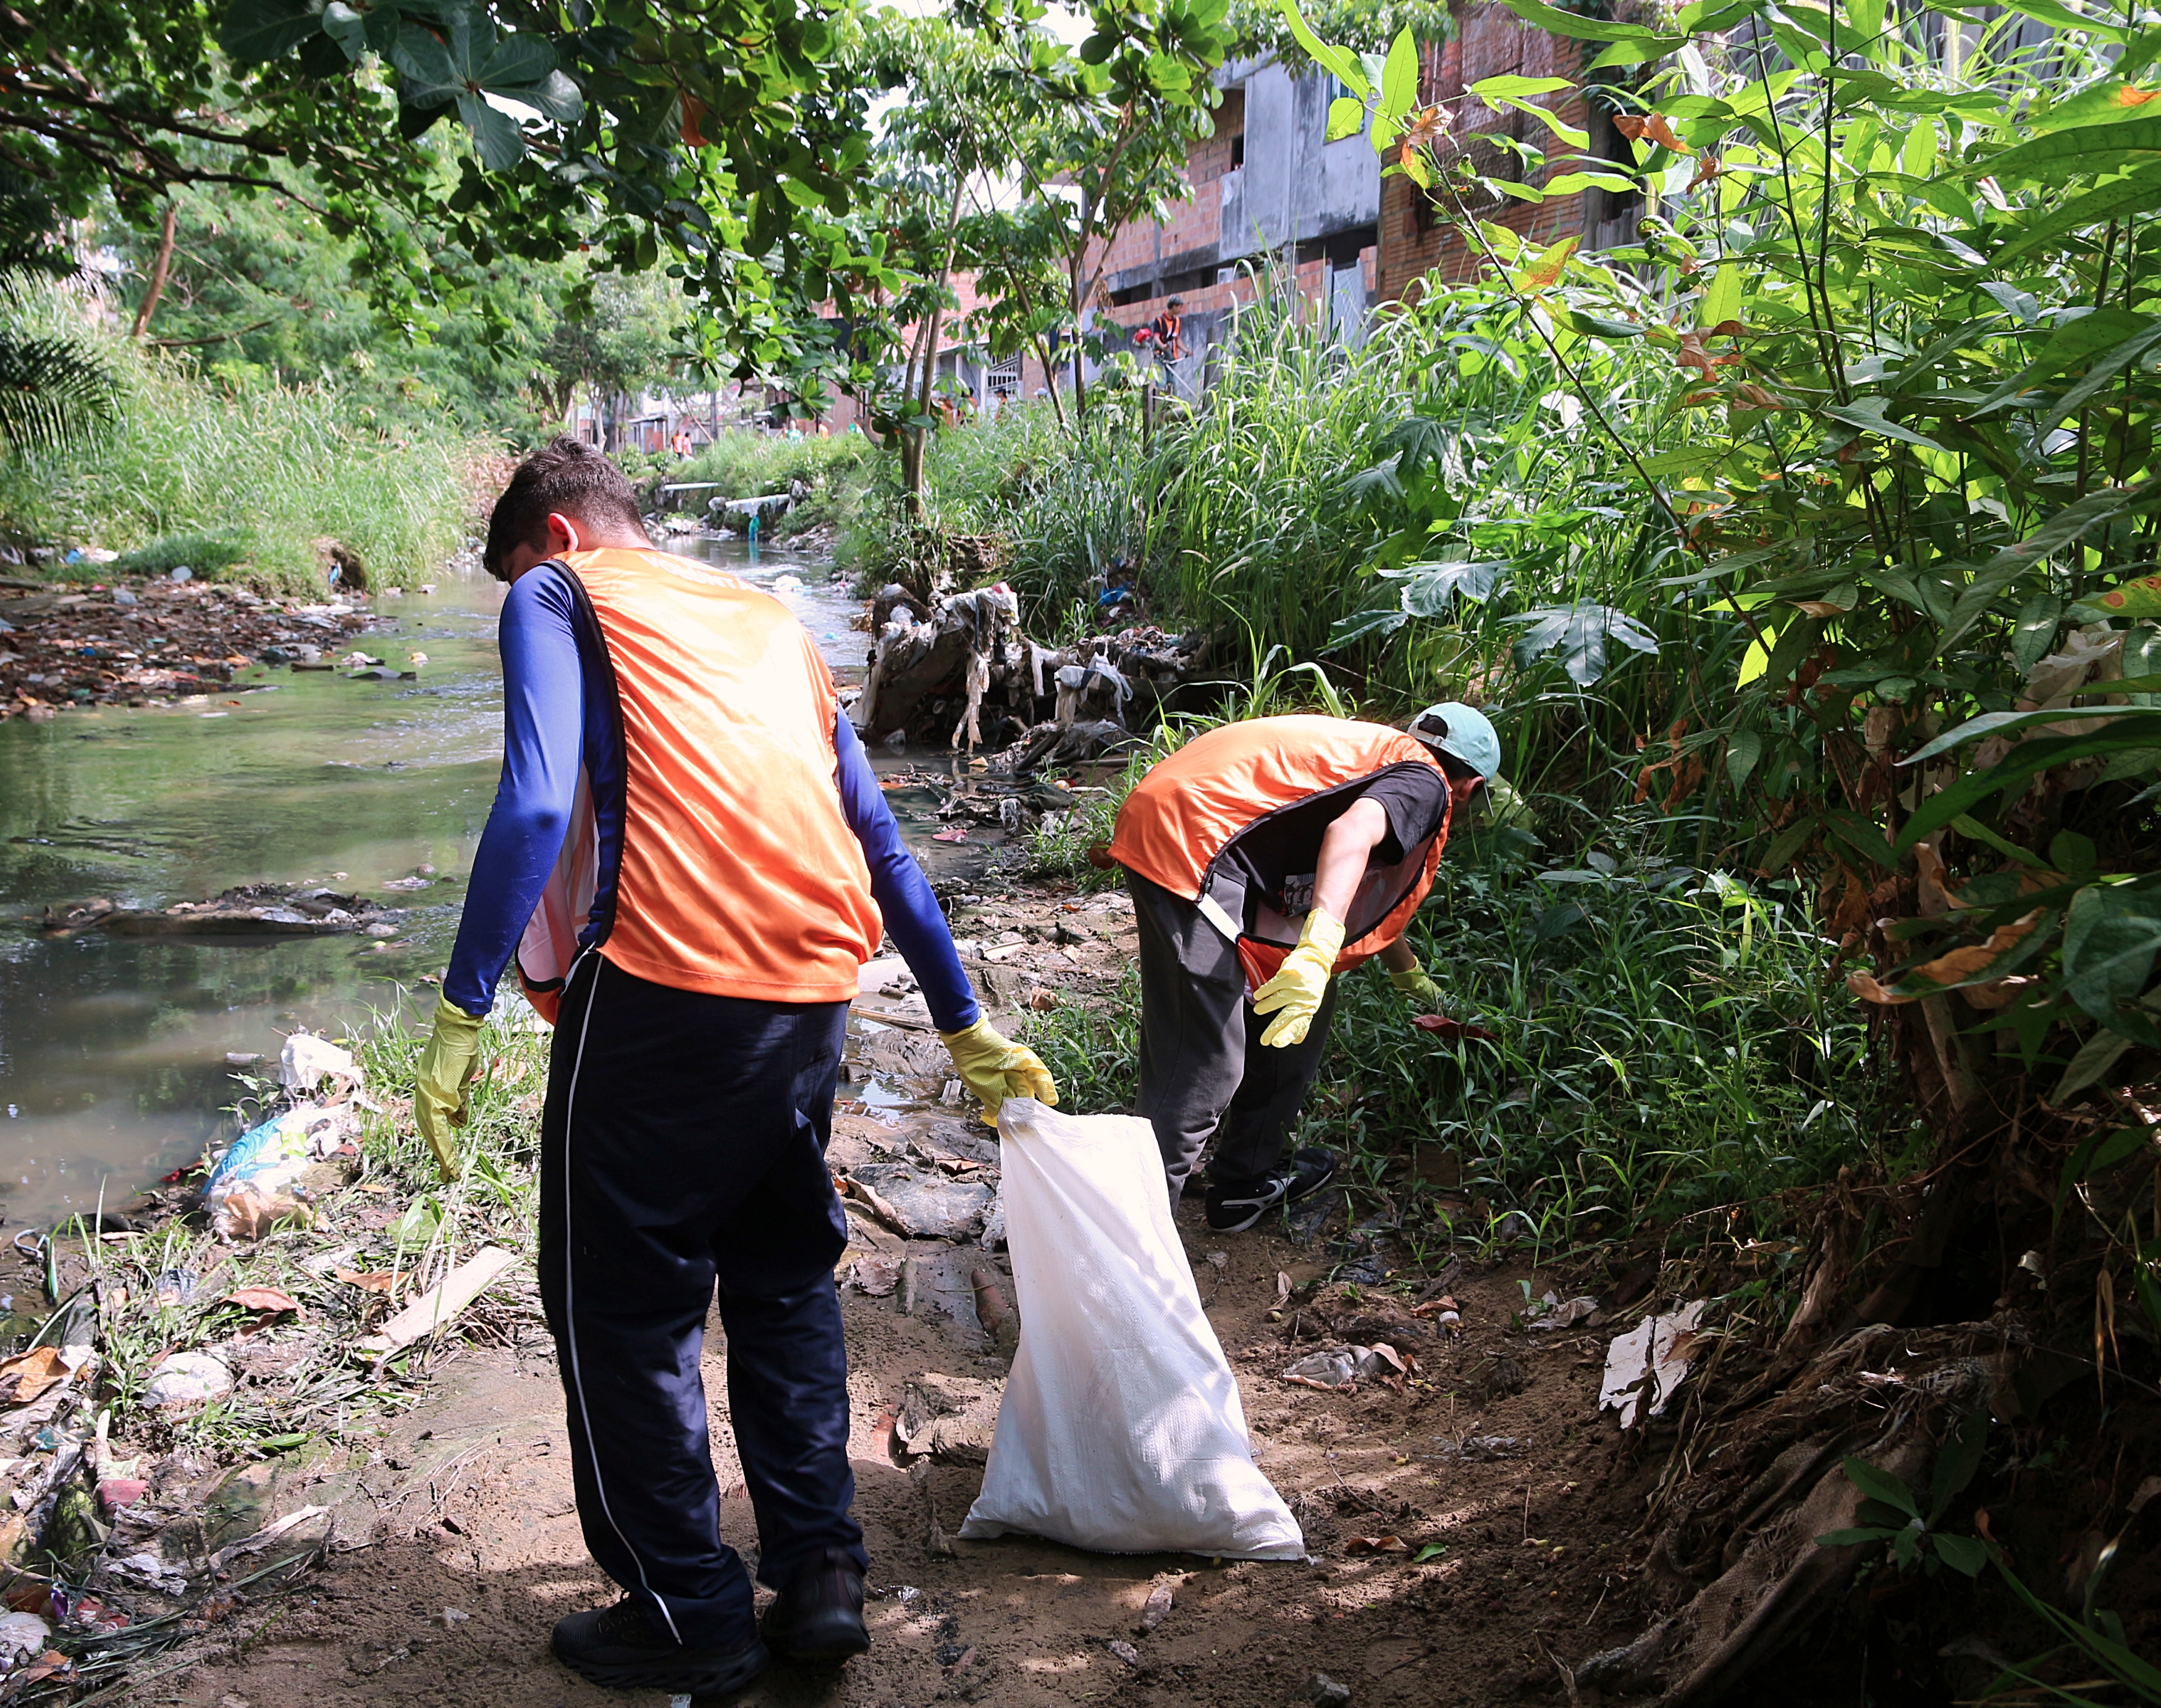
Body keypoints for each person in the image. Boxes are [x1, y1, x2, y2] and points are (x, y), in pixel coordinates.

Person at [412, 437, 1055, 1695]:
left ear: (557, 538)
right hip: (810, 993)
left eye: (517, 569)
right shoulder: (769, 619)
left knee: (620, 1306)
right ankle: (818, 1574)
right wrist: (961, 1019)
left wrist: (460, 1006)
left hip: (657, 989)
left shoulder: (558, 593)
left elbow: (535, 801)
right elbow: (882, 839)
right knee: (781, 1279)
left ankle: (686, 1611)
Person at [1105, 705, 1499, 1230]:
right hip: (1194, 840)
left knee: (1303, 1003)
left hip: (1196, 825)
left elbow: (1359, 893)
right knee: (1203, 1066)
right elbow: (1350, 835)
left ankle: (1243, 1181)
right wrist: (1317, 947)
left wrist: (1410, 979)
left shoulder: (1380, 758)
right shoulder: (1428, 783)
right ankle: (1125, 1244)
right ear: (1471, 788)